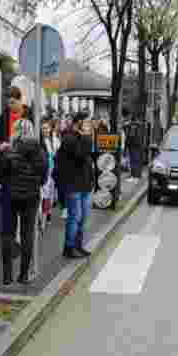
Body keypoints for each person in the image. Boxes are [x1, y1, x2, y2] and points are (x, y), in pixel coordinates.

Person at [0, 117, 46, 286]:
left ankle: (7, 275)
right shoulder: (40, 152)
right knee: (27, 234)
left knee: (7, 234)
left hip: (9, 195)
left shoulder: (7, 152)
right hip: (31, 197)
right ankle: (24, 275)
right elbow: (44, 178)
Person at [59, 111, 95, 259]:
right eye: (86, 122)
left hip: (84, 184)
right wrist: (86, 135)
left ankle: (79, 245)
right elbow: (81, 154)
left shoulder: (82, 137)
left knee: (83, 217)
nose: (89, 125)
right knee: (75, 216)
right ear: (78, 123)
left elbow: (88, 158)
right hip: (73, 184)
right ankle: (69, 247)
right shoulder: (68, 138)